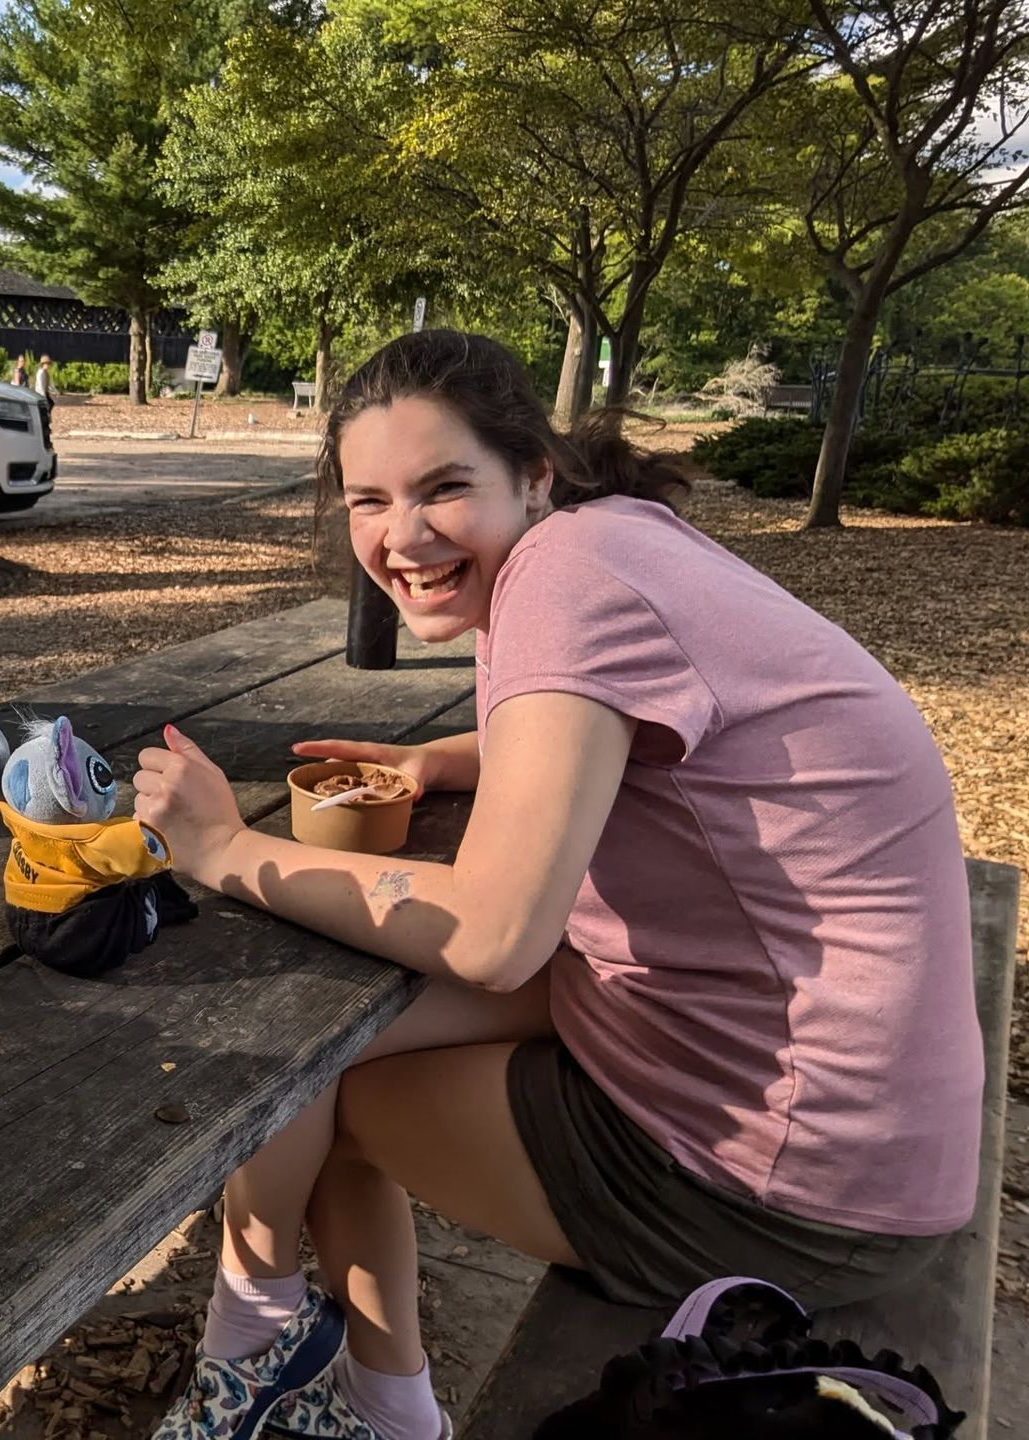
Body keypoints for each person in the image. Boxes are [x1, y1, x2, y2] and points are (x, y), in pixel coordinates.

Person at [132, 331, 981, 1440]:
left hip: (796, 1179)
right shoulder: (607, 544)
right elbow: (658, 721)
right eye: (368, 500)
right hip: (829, 1093)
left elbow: (493, 938)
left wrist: (223, 853)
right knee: (319, 1032)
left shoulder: (564, 581)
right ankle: (290, 1356)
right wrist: (440, 763)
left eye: (444, 489)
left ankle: (311, 1383)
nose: (403, 536)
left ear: (534, 474)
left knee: (319, 1086)